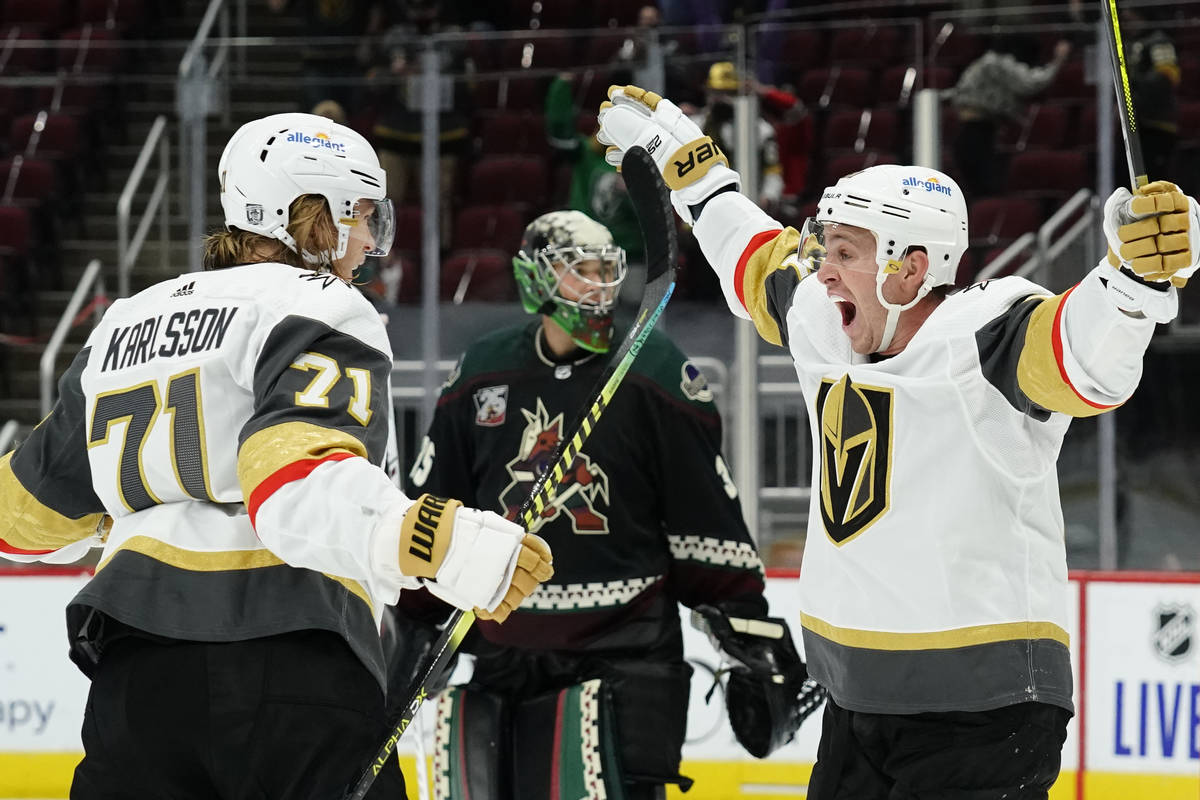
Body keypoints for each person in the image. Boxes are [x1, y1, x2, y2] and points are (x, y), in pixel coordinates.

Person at [597, 85, 1199, 798]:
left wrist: (1130, 284)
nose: (824, 268)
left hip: (985, 715)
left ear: (910, 268)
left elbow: (1082, 356)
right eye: (825, 248)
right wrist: (696, 175)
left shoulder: (989, 336)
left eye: (844, 252)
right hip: (856, 703)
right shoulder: (827, 322)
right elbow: (754, 257)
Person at [0, 112, 553, 800]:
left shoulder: (125, 321)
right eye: (358, 215)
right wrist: (437, 540)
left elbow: (28, 508)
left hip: (135, 677)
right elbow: (292, 480)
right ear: (306, 212)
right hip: (289, 657)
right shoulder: (319, 305)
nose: (368, 243)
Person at [398, 209, 811, 798]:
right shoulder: (481, 373)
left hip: (627, 657)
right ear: (536, 278)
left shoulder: (655, 372)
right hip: (503, 660)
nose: (597, 284)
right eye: (579, 270)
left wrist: (747, 628)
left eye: (603, 269)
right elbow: (438, 506)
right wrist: (413, 619)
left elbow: (704, 514)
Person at [948, 34, 1071, 196]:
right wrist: (1058, 60)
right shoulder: (997, 63)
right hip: (976, 132)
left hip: (979, 129)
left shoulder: (987, 61)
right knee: (982, 187)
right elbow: (1032, 83)